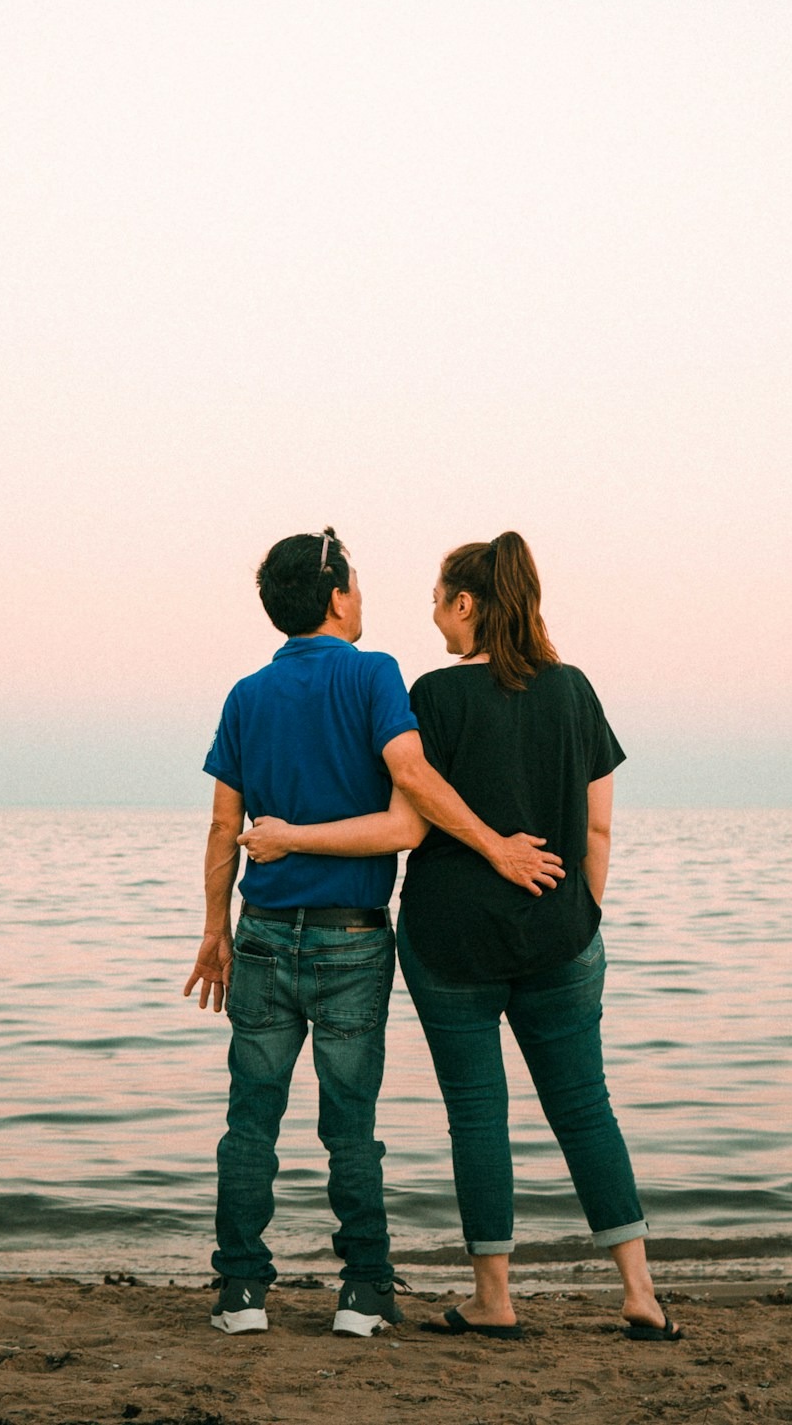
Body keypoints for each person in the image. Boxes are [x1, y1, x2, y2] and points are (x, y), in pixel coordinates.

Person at [238, 532, 680, 1343]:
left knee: (478, 1115)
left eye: (439, 600)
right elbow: (599, 829)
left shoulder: (434, 696)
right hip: (560, 935)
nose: (433, 615)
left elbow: (408, 820)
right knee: (586, 1107)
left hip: (449, 942)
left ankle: (494, 1298)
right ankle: (641, 1293)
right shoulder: (574, 689)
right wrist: (579, 914)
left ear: (467, 602)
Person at [186, 527, 564, 1337]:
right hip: (353, 939)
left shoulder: (245, 694)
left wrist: (214, 930)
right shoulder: (374, 674)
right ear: (334, 597)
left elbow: (223, 828)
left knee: (250, 1120)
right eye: (354, 586)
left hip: (260, 933)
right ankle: (362, 1291)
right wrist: (495, 845)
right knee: (350, 1126)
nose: (362, 599)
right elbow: (411, 787)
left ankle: (241, 1292)